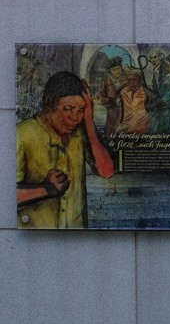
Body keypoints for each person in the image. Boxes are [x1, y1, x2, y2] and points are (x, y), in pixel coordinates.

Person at [17, 71, 115, 229]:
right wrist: (45, 189)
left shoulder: (80, 131)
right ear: (49, 105)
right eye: (68, 109)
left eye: (81, 110)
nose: (75, 118)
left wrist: (89, 121)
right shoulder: (22, 135)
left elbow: (107, 171)